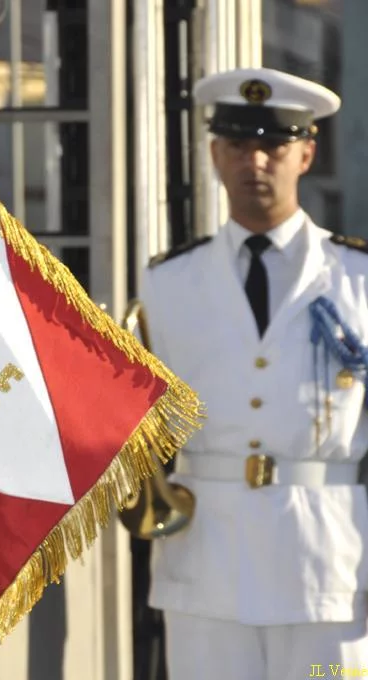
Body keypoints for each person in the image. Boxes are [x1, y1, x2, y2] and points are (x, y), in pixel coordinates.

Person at [141, 66, 368, 680]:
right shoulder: (166, 283)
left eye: (273, 144)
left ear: (306, 153)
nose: (256, 161)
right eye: (239, 144)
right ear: (215, 155)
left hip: (329, 563)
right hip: (206, 562)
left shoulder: (358, 278)